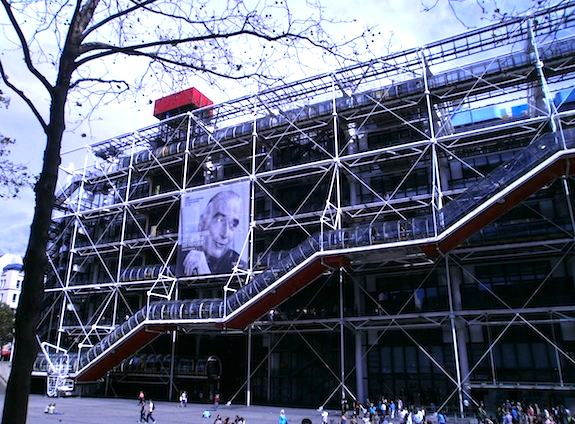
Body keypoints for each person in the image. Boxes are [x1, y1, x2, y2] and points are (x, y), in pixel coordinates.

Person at [182, 190, 246, 275]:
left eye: (233, 224)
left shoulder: (240, 266)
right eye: (220, 220)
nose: (225, 234)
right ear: (202, 222)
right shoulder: (181, 255)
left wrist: (205, 274)